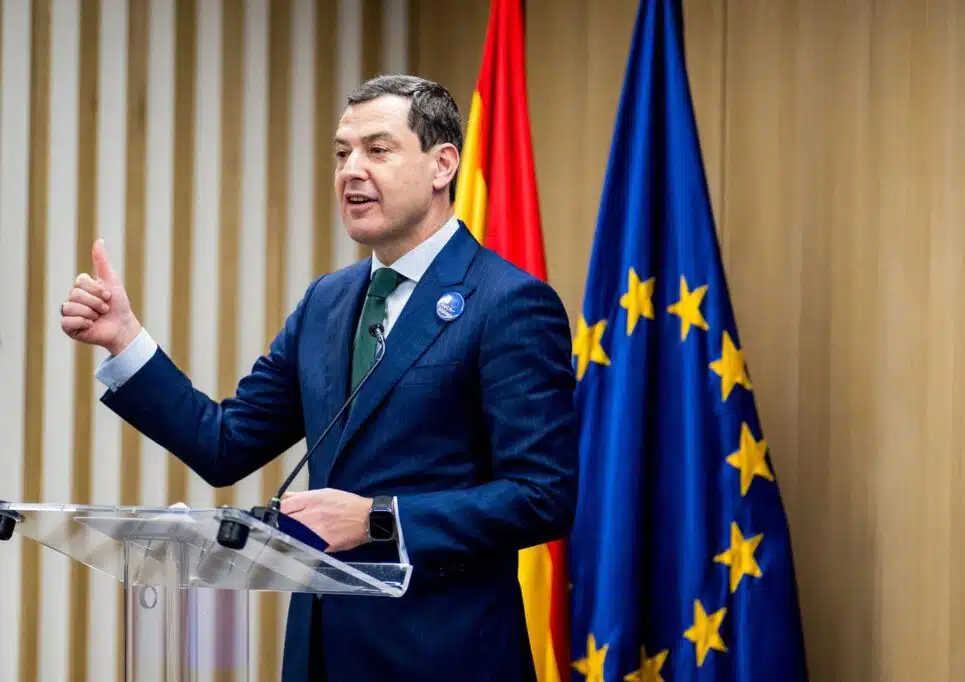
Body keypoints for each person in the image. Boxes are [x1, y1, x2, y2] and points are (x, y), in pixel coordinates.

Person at [59, 74, 578, 682]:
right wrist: (125, 341)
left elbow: (543, 495)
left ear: (442, 165)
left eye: (377, 150)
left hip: (444, 657)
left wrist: (379, 519)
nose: (351, 170)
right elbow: (225, 444)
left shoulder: (507, 303)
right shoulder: (326, 302)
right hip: (320, 657)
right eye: (341, 153)